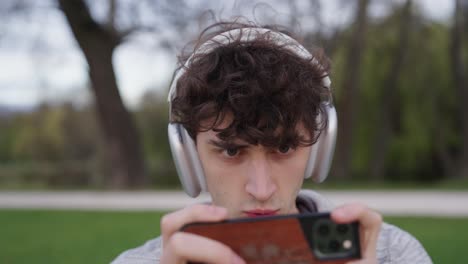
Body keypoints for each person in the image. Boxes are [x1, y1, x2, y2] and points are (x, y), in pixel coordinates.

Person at [112, 20, 432, 264]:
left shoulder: (392, 254)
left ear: (319, 149)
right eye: (231, 150)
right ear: (189, 158)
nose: (262, 190)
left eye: (283, 148)